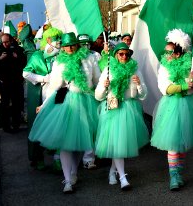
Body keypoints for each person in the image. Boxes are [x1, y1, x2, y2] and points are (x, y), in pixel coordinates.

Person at [28, 32, 101, 193]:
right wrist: (45, 104)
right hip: (65, 101)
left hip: (86, 101)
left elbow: (97, 81)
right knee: (65, 144)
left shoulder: (89, 59)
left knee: (80, 142)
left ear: (77, 45)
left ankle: (74, 173)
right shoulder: (59, 62)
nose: (69, 48)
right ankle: (67, 180)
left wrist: (103, 92)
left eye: (72, 45)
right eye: (66, 46)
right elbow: (54, 86)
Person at [151, 29, 193, 191]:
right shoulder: (164, 66)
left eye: (170, 51)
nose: (167, 54)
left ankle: (178, 172)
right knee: (173, 143)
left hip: (190, 105)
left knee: (183, 144)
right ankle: (174, 176)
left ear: (179, 52)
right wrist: (184, 85)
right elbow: (164, 88)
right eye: (166, 51)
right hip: (172, 106)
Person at [95, 42, 149, 190]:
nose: (124, 56)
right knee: (118, 145)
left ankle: (113, 171)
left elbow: (143, 95)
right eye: (121, 54)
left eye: (127, 54)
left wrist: (139, 85)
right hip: (112, 109)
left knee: (120, 144)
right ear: (115, 55)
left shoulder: (135, 69)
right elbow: (98, 96)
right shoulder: (107, 69)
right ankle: (123, 177)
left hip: (129, 109)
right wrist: (103, 86)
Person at [23, 26, 63, 170]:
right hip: (43, 95)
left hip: (60, 95)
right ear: (48, 40)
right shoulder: (37, 56)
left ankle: (58, 158)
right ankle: (39, 157)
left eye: (60, 38)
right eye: (56, 39)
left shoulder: (62, 55)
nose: (59, 41)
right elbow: (26, 73)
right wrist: (44, 78)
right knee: (40, 125)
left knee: (59, 125)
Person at [0, 33, 27, 133]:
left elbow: (25, 63)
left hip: (16, 81)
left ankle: (16, 125)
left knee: (16, 104)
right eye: (3, 42)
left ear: (11, 40)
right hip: (4, 81)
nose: (5, 44)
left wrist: (17, 57)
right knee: (5, 105)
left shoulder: (18, 49)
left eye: (6, 42)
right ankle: (6, 126)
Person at [77, 33, 100, 169]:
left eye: (87, 44)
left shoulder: (92, 57)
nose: (85, 46)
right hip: (73, 97)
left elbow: (96, 78)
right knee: (73, 128)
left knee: (90, 128)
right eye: (82, 44)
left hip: (89, 96)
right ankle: (69, 160)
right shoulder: (70, 58)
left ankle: (89, 158)